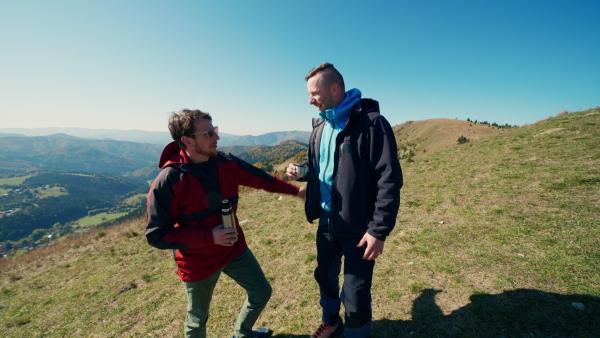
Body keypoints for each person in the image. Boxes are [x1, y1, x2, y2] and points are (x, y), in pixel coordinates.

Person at [146, 109, 306, 338]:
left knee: (261, 292)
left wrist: (296, 191)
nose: (217, 137)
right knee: (197, 318)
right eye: (209, 133)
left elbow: (261, 179)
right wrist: (209, 237)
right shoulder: (169, 180)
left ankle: (242, 334)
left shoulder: (227, 162)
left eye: (216, 130)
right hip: (197, 263)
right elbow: (157, 235)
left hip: (234, 249)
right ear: (187, 141)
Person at [286, 63, 403, 338]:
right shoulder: (320, 126)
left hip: (360, 226)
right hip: (327, 220)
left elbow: (389, 179)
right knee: (324, 276)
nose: (310, 100)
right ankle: (332, 321)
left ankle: (356, 333)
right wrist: (302, 171)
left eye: (314, 93)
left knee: (356, 289)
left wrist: (379, 229)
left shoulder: (371, 123)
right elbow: (319, 165)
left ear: (335, 88)